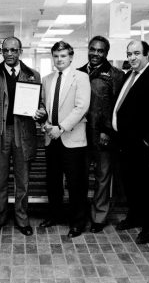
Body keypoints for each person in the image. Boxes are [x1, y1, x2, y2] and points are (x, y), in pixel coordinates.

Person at [0, 37, 46, 236]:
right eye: (6, 50)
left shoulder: (32, 75)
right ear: (1, 51)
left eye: (14, 50)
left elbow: (41, 104)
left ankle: (22, 219)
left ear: (20, 51)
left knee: (22, 181)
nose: (9, 53)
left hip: (23, 134)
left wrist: (41, 112)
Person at [112, 40, 149, 244]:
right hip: (124, 142)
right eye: (129, 54)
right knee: (130, 183)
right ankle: (135, 216)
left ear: (147, 55)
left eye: (136, 53)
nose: (132, 57)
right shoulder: (129, 75)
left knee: (146, 185)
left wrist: (146, 141)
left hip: (142, 144)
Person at [40, 41, 91, 238]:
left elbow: (81, 107)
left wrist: (60, 128)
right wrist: (45, 123)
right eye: (56, 56)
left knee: (75, 183)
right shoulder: (47, 79)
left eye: (63, 56)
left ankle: (77, 222)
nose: (59, 59)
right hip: (50, 137)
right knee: (53, 181)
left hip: (72, 138)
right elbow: (45, 106)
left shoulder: (81, 77)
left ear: (71, 57)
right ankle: (55, 215)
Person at [76, 36, 123, 233]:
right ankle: (80, 214)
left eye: (100, 50)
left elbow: (117, 108)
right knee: (80, 177)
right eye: (93, 49)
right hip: (79, 135)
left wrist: (108, 131)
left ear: (106, 53)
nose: (96, 53)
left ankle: (99, 216)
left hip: (103, 136)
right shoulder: (77, 73)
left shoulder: (115, 75)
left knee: (103, 178)